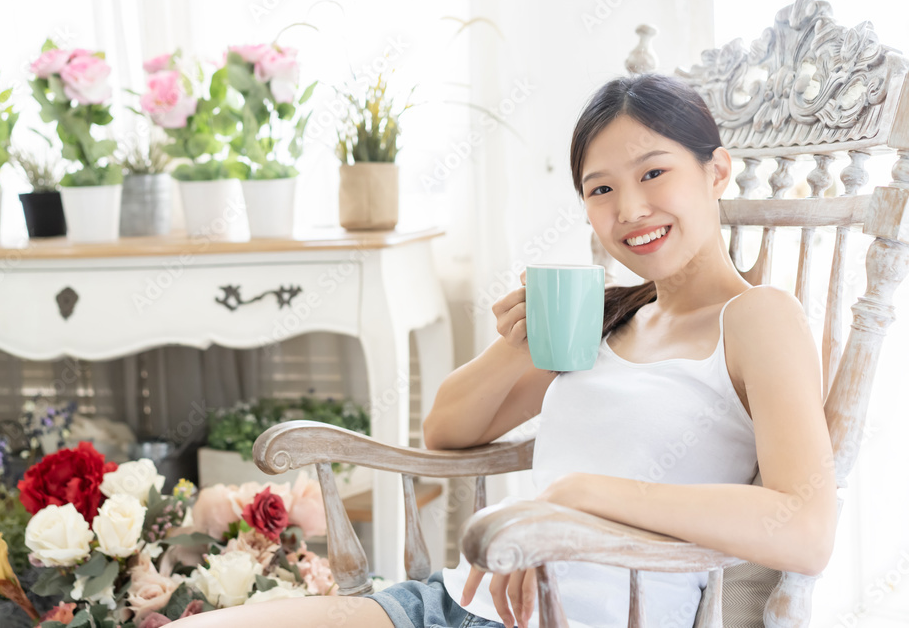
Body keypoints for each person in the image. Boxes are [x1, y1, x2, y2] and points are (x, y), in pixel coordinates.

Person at [169, 73, 837, 628]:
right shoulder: (605, 315)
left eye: (653, 172)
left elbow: (804, 525)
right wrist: (515, 347)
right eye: (600, 188)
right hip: (455, 603)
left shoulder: (757, 318)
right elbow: (446, 431)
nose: (629, 208)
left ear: (715, 170)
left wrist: (577, 495)